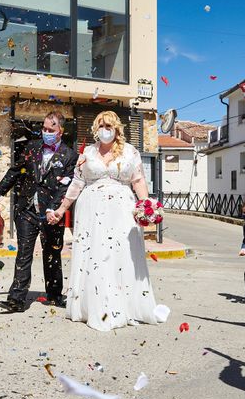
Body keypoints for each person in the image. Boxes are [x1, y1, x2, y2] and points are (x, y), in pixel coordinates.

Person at [49, 110, 170, 331]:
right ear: (96, 129)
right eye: (102, 126)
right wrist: (61, 208)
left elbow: (139, 180)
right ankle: (92, 305)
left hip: (121, 210)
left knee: (120, 253)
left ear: (117, 129)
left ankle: (125, 305)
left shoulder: (130, 152)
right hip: (90, 210)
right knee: (95, 254)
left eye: (109, 126)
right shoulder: (87, 152)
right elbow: (77, 183)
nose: (106, 130)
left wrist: (146, 206)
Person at [0, 111, 78, 313]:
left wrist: (53, 209)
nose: (45, 132)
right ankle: (16, 299)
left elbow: (66, 186)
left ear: (60, 131)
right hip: (27, 210)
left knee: (52, 254)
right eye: (44, 128)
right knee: (24, 254)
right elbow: (15, 171)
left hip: (53, 214)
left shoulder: (70, 156)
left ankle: (55, 295)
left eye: (50, 129)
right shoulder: (31, 147)